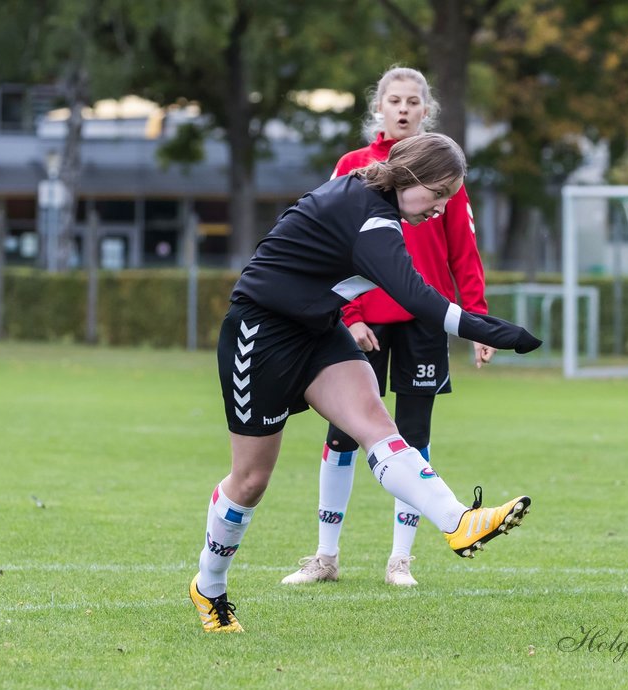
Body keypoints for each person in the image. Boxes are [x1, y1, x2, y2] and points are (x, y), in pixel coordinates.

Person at [190, 133, 541, 633]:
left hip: (316, 330)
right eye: (438, 196)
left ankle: (459, 521)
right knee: (250, 481)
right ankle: (209, 586)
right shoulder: (370, 216)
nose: (440, 210)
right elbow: (419, 298)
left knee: (377, 425)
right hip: (260, 333)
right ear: (413, 177)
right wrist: (495, 331)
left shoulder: (375, 202)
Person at [282, 66, 491, 589]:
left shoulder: (444, 170)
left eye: (413, 102)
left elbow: (463, 252)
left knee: (412, 436)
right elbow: (329, 246)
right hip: (363, 324)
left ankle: (401, 560)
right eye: (394, 100)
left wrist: (479, 320)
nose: (403, 109)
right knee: (345, 433)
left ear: (427, 110)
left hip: (423, 321)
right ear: (379, 108)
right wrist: (347, 318)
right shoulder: (355, 166)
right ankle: (325, 556)